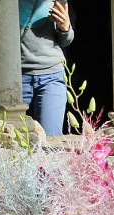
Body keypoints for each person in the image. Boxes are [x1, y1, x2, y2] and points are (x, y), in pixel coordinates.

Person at [18, 0, 74, 136]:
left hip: (51, 76)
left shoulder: (54, 1)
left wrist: (65, 28)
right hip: (15, 78)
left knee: (51, 140)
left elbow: (66, 40)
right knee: (14, 141)